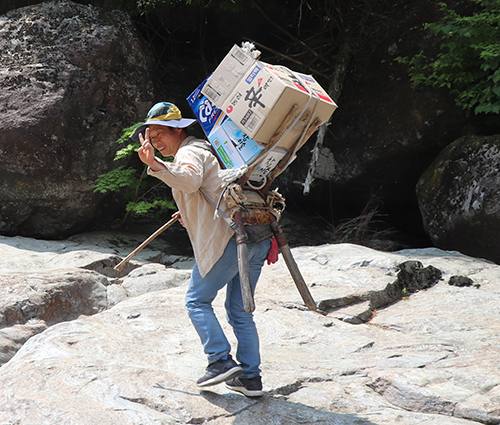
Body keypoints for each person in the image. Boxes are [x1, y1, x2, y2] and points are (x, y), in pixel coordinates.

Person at [132, 102, 271, 397]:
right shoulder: (210, 150)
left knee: (196, 301)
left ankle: (220, 361)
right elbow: (205, 189)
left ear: (178, 130)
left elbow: (190, 179)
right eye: (150, 138)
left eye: (159, 135)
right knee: (239, 311)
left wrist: (155, 165)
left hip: (229, 242)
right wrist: (188, 212)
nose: (155, 142)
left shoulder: (189, 152)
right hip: (256, 238)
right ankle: (250, 378)